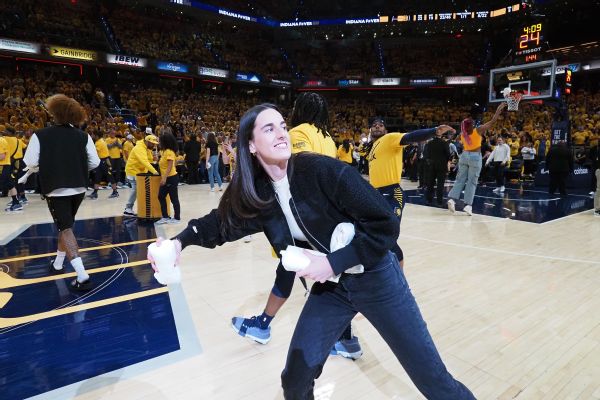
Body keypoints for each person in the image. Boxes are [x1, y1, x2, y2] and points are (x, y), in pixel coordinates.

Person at [161, 103, 475, 400]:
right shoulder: (261, 195)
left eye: (282, 126)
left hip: (378, 280)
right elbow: (221, 224)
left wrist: (332, 262)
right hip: (333, 291)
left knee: (434, 381)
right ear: (251, 145)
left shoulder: (321, 170)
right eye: (269, 129)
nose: (282, 133)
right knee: (295, 379)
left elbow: (386, 225)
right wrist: (179, 242)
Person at [231, 92, 361, 360]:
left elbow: (293, 166)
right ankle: (345, 339)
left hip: (304, 219)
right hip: (327, 220)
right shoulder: (327, 137)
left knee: (296, 271)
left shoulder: (299, 132)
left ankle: (264, 325)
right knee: (320, 275)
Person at [22, 94, 100, 290]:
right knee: (65, 225)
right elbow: (95, 162)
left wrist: (49, 166)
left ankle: (82, 276)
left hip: (56, 189)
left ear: (53, 113)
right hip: (80, 187)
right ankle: (57, 264)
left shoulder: (40, 135)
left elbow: (30, 163)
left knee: (65, 228)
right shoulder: (84, 136)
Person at [447, 102, 507, 215]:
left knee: (460, 179)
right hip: (475, 156)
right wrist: (499, 109)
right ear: (472, 125)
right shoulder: (478, 130)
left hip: (464, 156)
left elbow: (459, 141)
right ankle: (468, 205)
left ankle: (452, 199)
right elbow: (493, 121)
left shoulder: (462, 134)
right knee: (472, 182)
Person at [123, 134, 159, 217]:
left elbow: (149, 160)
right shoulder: (139, 148)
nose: (153, 145)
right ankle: (128, 209)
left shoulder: (147, 148)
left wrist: (154, 159)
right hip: (133, 171)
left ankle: (139, 208)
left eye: (154, 144)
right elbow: (144, 162)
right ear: (147, 141)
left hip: (140, 172)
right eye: (152, 143)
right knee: (135, 190)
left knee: (139, 190)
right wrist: (154, 172)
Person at [156, 132, 181, 225]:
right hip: (167, 177)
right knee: (161, 196)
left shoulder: (169, 151)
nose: (159, 143)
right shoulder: (164, 151)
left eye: (161, 141)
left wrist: (164, 178)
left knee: (174, 198)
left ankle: (177, 218)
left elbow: (170, 166)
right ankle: (165, 217)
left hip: (171, 178)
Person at [424, 126, 452, 206]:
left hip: (432, 165)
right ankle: (439, 201)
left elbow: (427, 155)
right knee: (440, 184)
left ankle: (429, 200)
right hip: (442, 165)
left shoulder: (429, 143)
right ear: (441, 135)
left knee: (430, 183)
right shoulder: (444, 143)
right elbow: (448, 155)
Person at [88, 130, 119, 199]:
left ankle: (115, 192)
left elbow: (93, 152)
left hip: (105, 161)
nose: (92, 136)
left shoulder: (98, 143)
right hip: (101, 161)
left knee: (110, 176)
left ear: (96, 136)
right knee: (97, 177)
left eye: (93, 135)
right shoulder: (101, 140)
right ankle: (95, 193)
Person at [0, 125, 22, 212]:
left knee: (10, 184)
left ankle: (17, 202)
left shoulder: (1, 141)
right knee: (10, 185)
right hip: (4, 166)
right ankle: (16, 203)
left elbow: (2, 156)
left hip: (3, 166)